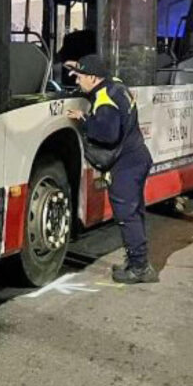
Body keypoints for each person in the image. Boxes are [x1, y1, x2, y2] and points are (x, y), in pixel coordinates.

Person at [65, 55, 157, 284]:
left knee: (127, 216)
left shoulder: (104, 100)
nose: (77, 81)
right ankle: (138, 262)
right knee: (135, 213)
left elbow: (107, 134)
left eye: (80, 77)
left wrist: (84, 120)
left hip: (125, 164)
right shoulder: (115, 84)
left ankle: (139, 268)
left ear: (94, 78)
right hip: (137, 158)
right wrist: (75, 67)